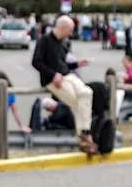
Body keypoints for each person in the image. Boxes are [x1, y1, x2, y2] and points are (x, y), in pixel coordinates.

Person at [32, 15, 97, 154]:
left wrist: (77, 63)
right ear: (63, 28)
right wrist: (52, 74)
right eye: (70, 30)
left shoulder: (63, 43)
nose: (71, 34)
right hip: (53, 79)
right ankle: (84, 136)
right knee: (76, 101)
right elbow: (36, 62)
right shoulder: (44, 40)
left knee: (87, 93)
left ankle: (84, 132)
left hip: (67, 75)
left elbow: (63, 64)